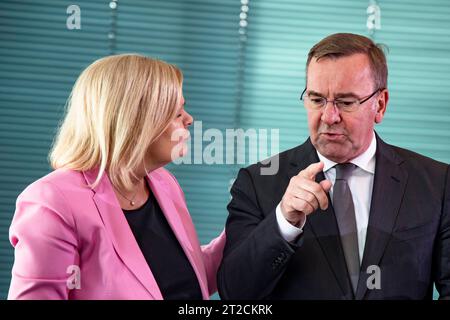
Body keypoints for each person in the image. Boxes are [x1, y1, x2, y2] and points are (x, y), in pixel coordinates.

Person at [218, 33, 450, 300]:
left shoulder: (437, 184)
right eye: (317, 100)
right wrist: (283, 222)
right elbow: (234, 295)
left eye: (346, 102)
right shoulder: (257, 183)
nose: (329, 116)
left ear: (380, 105)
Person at [8, 54, 225, 300]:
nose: (189, 119)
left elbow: (186, 280)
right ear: (136, 121)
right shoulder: (52, 201)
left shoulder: (164, 184)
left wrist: (266, 221)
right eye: (177, 113)